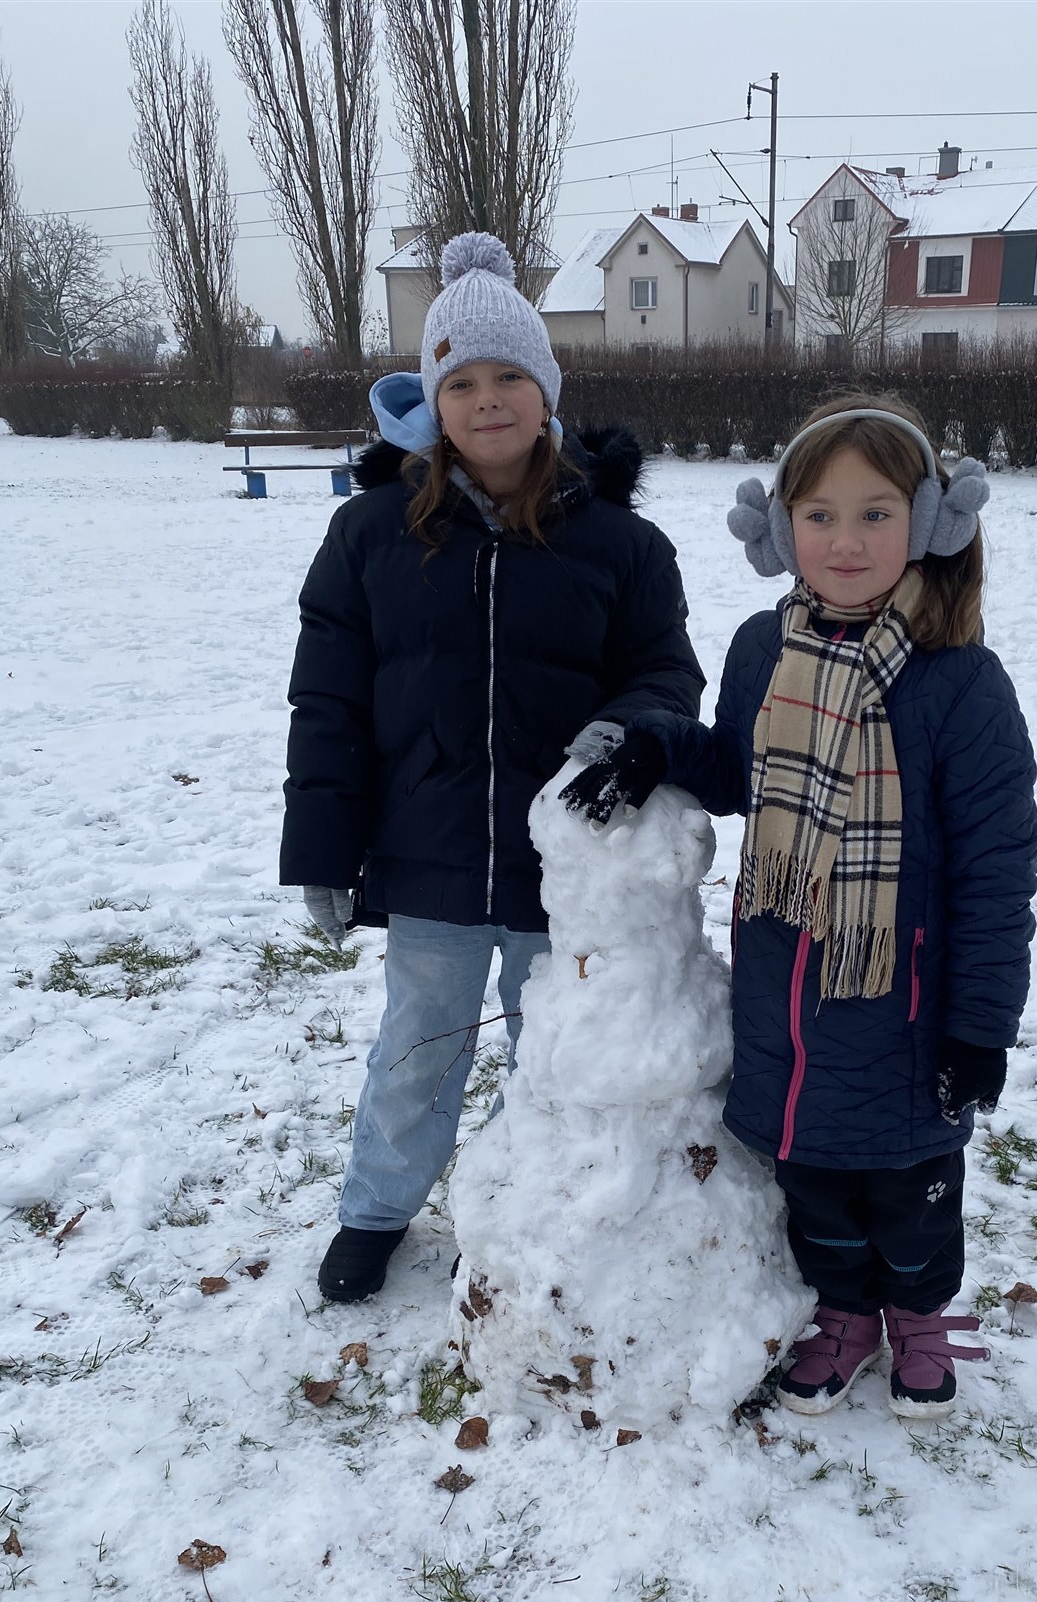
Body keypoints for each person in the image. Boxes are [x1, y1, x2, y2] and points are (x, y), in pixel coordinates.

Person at [562, 395, 1037, 1420]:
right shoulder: (760, 649)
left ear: (929, 521)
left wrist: (981, 1026)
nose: (845, 541)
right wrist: (656, 747)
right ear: (781, 530)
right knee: (811, 1172)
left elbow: (998, 871)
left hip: (904, 997)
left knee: (910, 1182)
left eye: (875, 513)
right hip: (785, 979)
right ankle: (846, 1312)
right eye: (819, 514)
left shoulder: (961, 682)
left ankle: (916, 1312)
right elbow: (740, 769)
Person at [281, 232, 705, 1304]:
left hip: (565, 865)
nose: (487, 400)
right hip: (425, 853)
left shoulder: (622, 546)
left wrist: (624, 735)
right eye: (461, 381)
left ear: (546, 391)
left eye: (509, 376)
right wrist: (321, 851)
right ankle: (376, 1209)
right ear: (433, 402)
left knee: (551, 1050)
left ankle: (534, 1211)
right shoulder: (370, 535)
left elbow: (665, 672)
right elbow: (327, 703)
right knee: (418, 1047)